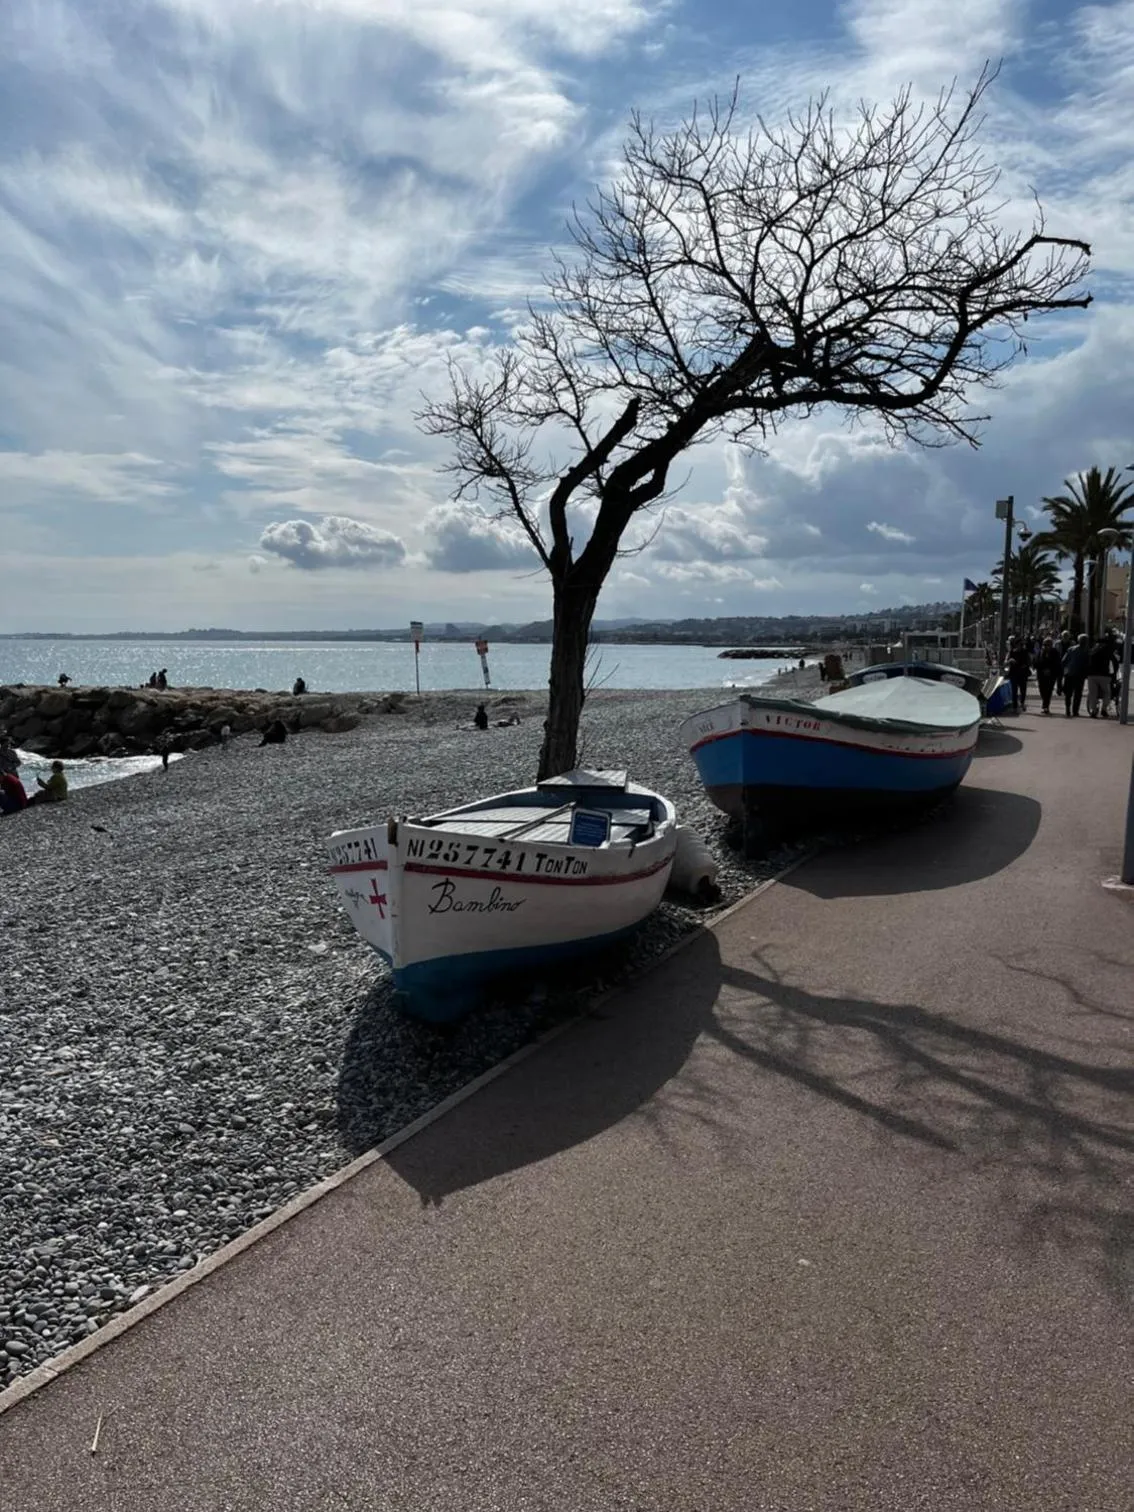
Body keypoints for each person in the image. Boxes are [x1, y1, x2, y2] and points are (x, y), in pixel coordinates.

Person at [1086, 634, 1119, 718]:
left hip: (1092, 675)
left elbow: (1087, 662)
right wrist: (1114, 674)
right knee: (1107, 693)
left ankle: (1093, 711)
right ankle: (1104, 709)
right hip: (1104, 675)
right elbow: (1115, 663)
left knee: (1092, 693)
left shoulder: (1092, 651)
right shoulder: (1108, 651)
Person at [1062, 633, 1090, 718]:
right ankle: (1074, 710)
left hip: (1071, 674)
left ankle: (1069, 709)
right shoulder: (1086, 651)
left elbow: (1064, 661)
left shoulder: (1071, 649)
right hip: (1079, 675)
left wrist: (1065, 670)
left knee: (1069, 693)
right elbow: (1088, 664)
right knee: (1077, 694)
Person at [1035, 637, 1061, 715]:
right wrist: (1041, 669)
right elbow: (1036, 662)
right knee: (1042, 689)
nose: (1046, 646)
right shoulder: (1040, 652)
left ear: (1051, 645)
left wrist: (1050, 670)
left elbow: (1057, 663)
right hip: (1041, 674)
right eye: (1045, 645)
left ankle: (1046, 706)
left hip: (1051, 675)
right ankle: (1045, 703)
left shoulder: (1055, 652)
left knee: (1049, 690)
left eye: (1048, 645)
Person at [1006, 635, 1031, 714]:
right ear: (1016, 645)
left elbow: (1029, 661)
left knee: (1023, 690)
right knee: (1014, 691)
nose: (1020, 646)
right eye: (1019, 644)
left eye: (1021, 644)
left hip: (1023, 674)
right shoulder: (1011, 652)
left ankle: (1022, 702)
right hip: (1014, 673)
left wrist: (1026, 665)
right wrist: (1010, 660)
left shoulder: (1025, 652)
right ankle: (1014, 707)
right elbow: (1006, 661)